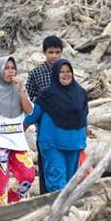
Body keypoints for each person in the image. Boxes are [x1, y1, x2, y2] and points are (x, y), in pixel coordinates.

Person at [0, 56, 36, 206]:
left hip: (18, 142)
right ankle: (1, 211)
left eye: (13, 68)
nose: (10, 71)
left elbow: (29, 111)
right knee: (0, 183)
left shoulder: (19, 91)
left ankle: (12, 201)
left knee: (28, 175)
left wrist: (21, 92)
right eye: (6, 68)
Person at [23, 59, 88, 193]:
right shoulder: (47, 95)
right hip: (52, 144)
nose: (65, 75)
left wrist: (83, 139)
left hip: (74, 144)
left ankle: (66, 211)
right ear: (55, 75)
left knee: (71, 182)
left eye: (68, 71)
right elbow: (32, 115)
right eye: (61, 72)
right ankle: (58, 211)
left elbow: (83, 117)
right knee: (57, 181)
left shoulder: (81, 93)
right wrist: (17, 133)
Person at [25, 35, 65, 193]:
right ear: (44, 53)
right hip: (44, 125)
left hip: (65, 124)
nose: (54, 56)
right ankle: (45, 194)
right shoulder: (36, 73)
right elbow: (28, 99)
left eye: (57, 52)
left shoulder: (66, 70)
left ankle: (63, 193)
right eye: (50, 52)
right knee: (46, 159)